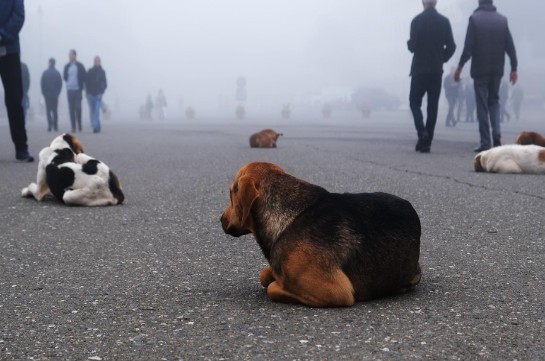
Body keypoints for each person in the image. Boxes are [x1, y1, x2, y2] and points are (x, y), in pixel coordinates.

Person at [454, 0, 518, 152]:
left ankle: (485, 142)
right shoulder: (502, 20)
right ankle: (497, 134)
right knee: (494, 101)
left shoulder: (474, 19)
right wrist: (514, 68)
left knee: (482, 105)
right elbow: (510, 47)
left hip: (480, 70)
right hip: (497, 70)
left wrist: (460, 67)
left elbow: (468, 47)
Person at [408, 0, 456, 153]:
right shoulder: (444, 21)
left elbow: (413, 46)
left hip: (419, 70)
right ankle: (427, 143)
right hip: (436, 70)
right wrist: (442, 58)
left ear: (423, 2)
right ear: (435, 3)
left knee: (414, 101)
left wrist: (409, 43)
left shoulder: (416, 21)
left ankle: (422, 131)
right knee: (432, 106)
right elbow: (452, 46)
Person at [0, 0, 33, 161]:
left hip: (10, 49)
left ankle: (21, 148)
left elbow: (19, 15)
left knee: (14, 100)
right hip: (9, 46)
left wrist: (2, 34)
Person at [63, 49, 86, 133]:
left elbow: (84, 76)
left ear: (75, 56)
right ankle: (73, 126)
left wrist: (82, 86)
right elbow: (65, 77)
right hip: (70, 90)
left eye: (71, 55)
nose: (69, 56)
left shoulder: (80, 66)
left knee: (78, 108)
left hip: (78, 90)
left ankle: (79, 124)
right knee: (71, 109)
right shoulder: (67, 66)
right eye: (69, 55)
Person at [85, 56, 107, 133]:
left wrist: (102, 90)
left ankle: (95, 126)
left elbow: (105, 83)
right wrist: (87, 92)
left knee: (97, 110)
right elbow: (86, 82)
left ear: (100, 62)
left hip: (98, 94)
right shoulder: (90, 71)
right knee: (93, 110)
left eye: (98, 61)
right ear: (94, 62)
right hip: (91, 94)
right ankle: (97, 125)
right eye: (96, 61)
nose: (97, 62)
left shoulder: (102, 72)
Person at [40, 58, 62, 132]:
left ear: (49, 63)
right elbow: (60, 84)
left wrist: (44, 93)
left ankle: (50, 125)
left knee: (48, 110)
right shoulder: (57, 73)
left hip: (47, 94)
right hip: (55, 94)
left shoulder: (45, 73)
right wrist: (58, 93)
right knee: (55, 110)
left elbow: (42, 84)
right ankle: (55, 126)